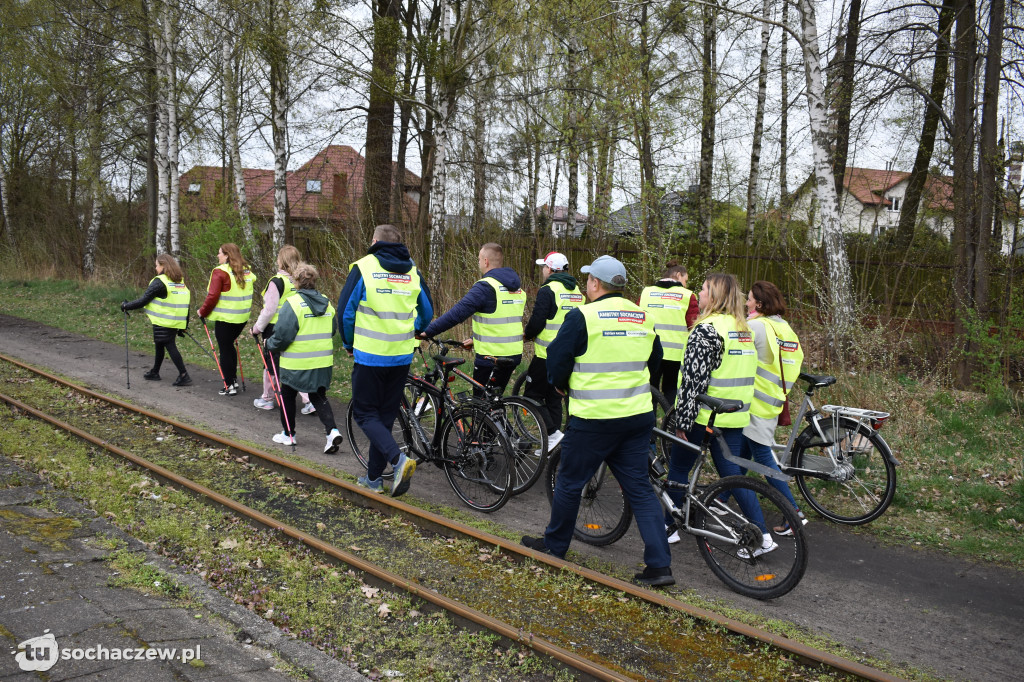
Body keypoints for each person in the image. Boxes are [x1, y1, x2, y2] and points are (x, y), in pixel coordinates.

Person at [521, 255, 674, 588]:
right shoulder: (643, 316)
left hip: (594, 419)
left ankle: (555, 546)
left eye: (588, 279)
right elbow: (657, 362)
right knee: (640, 489)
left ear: (594, 284)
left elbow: (558, 358)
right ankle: (660, 566)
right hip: (636, 418)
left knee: (570, 481)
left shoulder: (583, 316)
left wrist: (560, 385)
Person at [666, 272, 774, 556]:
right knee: (733, 475)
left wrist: (683, 420)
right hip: (735, 417)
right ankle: (762, 534)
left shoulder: (706, 330)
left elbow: (693, 382)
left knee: (678, 468)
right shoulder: (744, 330)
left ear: (713, 297)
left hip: (704, 416)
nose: (698, 294)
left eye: (703, 290)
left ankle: (667, 528)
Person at [339, 224, 433, 496]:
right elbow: (427, 313)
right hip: (400, 356)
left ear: (375, 240)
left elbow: (346, 312)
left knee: (365, 413)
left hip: (370, 355)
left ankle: (398, 459)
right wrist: (409, 328)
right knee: (384, 417)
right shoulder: (413, 271)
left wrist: (348, 343)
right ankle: (373, 479)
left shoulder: (364, 266)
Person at [741, 280, 807, 533]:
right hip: (774, 399)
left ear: (758, 303)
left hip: (755, 401)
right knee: (740, 455)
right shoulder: (784, 327)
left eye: (748, 299)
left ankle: (794, 514)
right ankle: (722, 498)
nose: (746, 303)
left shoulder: (756, 325)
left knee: (764, 461)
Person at [418, 242, 524, 395]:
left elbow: (456, 314)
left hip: (490, 356)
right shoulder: (517, 288)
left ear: (486, 261)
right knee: (494, 399)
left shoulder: (485, 287)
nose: (479, 263)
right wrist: (475, 338)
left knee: (480, 405)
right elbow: (502, 317)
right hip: (513, 353)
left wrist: (427, 331)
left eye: (479, 259)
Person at [264, 262, 343, 453]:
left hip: (296, 363)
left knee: (288, 395)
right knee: (319, 396)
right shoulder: (327, 302)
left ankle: (288, 434)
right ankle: (332, 432)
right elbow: (332, 330)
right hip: (322, 362)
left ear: (296, 282)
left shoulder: (292, 304)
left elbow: (283, 336)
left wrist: (269, 344)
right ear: (314, 281)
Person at [522, 251, 584, 450]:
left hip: (546, 354)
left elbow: (537, 321)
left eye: (544, 267)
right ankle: (553, 444)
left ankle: (552, 433)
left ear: (551, 269)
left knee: (531, 396)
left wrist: (528, 334)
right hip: (568, 356)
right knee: (554, 398)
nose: (542, 271)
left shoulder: (548, 290)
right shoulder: (578, 292)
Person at [250, 245, 314, 415]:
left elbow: (269, 310)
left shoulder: (276, 281)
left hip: (275, 329)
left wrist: (257, 328)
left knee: (271, 364)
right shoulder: (301, 280)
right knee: (295, 364)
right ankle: (309, 400)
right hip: (297, 327)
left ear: (281, 260)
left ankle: (268, 399)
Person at [120, 254, 192, 387]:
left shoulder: (160, 281)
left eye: (157, 265)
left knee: (169, 345)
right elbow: (186, 304)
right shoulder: (179, 281)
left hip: (164, 320)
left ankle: (184, 375)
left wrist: (126, 306)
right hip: (175, 320)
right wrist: (184, 325)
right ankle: (155, 372)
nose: (155, 268)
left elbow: (143, 301)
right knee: (160, 344)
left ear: (164, 266)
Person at [197, 243, 256, 396]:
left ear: (227, 255)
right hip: (241, 318)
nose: (218, 256)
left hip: (226, 318)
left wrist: (202, 312)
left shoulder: (220, 272)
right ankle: (233, 380)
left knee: (225, 349)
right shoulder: (246, 270)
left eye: (220, 253)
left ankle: (229, 384)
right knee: (229, 346)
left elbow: (212, 297)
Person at [638, 260, 698, 401]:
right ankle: (670, 422)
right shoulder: (687, 295)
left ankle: (650, 421)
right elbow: (694, 326)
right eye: (685, 280)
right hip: (675, 355)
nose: (686, 284)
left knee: (649, 390)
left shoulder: (646, 292)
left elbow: (637, 319)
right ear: (678, 275)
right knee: (671, 390)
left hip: (649, 351)